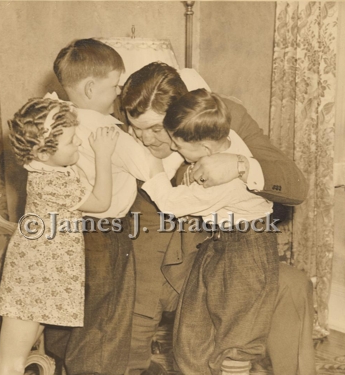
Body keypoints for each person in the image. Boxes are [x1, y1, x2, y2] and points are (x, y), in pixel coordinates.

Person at [121, 62, 315, 375]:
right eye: (136, 129)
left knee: (293, 285)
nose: (145, 140)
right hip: (159, 261)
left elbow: (295, 184)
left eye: (157, 130)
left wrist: (241, 165)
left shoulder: (224, 118)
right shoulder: (123, 137)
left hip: (233, 254)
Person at [44, 38, 183, 375]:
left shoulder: (59, 120)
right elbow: (155, 171)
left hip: (67, 231)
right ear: (92, 88)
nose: (121, 93)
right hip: (106, 237)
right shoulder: (111, 134)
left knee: (74, 316)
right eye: (116, 85)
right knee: (108, 319)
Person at [142, 88, 280, 375]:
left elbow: (172, 204)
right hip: (217, 244)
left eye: (179, 147)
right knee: (191, 334)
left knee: (237, 340)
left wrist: (151, 168)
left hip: (248, 250)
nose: (176, 151)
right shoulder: (219, 140)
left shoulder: (225, 180)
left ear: (205, 149)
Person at [0, 97, 119, 375]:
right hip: (35, 276)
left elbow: (75, 171)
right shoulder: (53, 180)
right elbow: (100, 202)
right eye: (72, 141)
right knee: (11, 362)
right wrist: (103, 155)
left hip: (44, 273)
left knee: (17, 356)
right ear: (42, 152)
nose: (79, 144)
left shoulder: (49, 168)